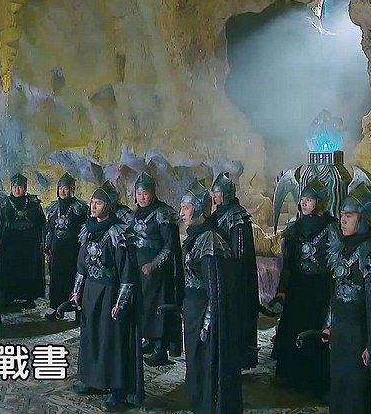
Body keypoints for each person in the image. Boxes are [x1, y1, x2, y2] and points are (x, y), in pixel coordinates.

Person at [70, 181, 144, 412]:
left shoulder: (118, 233)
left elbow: (126, 273)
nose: (93, 206)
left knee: (110, 339)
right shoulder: (88, 230)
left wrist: (120, 303)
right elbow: (81, 265)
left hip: (110, 292)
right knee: (90, 335)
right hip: (91, 291)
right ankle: (92, 379)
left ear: (108, 206)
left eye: (98, 203)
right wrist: (77, 292)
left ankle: (117, 389)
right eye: (92, 202)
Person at [179, 179, 243, 414]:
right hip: (193, 311)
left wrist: (208, 322)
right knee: (195, 361)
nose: (181, 213)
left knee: (206, 361)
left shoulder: (210, 241)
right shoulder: (196, 237)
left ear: (197, 209)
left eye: (185, 208)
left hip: (204, 313)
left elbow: (215, 289)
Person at [322, 175, 371, 414]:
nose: (343, 220)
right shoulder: (344, 249)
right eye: (342, 215)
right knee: (340, 388)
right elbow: (337, 289)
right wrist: (329, 325)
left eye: (349, 216)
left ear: (363, 218)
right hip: (342, 332)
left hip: (362, 334)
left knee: (359, 394)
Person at [270, 178, 334, 395]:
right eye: (302, 199)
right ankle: (290, 376)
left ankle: (314, 380)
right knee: (292, 330)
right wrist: (282, 290)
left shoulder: (332, 229)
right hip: (297, 287)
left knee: (315, 332)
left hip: (320, 289)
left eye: (309, 200)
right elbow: (288, 264)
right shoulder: (294, 229)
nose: (304, 203)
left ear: (320, 201)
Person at [129, 172, 184, 365]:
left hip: (159, 274)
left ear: (153, 193)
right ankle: (150, 341)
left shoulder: (163, 213)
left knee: (159, 308)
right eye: (139, 193)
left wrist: (154, 264)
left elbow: (170, 245)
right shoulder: (134, 215)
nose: (142, 197)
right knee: (144, 307)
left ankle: (161, 348)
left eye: (145, 193)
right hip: (139, 271)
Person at [210, 171, 259, 369]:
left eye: (218, 193)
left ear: (226, 194)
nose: (215, 197)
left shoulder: (236, 216)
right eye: (214, 193)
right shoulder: (218, 214)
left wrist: (233, 275)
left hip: (237, 277)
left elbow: (240, 252)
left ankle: (240, 358)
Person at [0, 173, 47, 309]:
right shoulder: (4, 204)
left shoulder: (34, 204)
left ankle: (29, 298)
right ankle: (9, 297)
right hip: (9, 244)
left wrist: (43, 242)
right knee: (9, 270)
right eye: (15, 187)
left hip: (29, 244)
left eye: (20, 187)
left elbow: (42, 224)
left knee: (29, 270)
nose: (17, 189)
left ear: (25, 188)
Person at [44, 173, 88, 320]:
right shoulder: (53, 208)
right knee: (56, 280)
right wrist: (47, 245)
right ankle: (57, 309)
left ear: (72, 190)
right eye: (61, 188)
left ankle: (75, 310)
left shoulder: (80, 209)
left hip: (72, 250)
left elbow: (84, 230)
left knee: (72, 279)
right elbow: (50, 229)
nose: (63, 191)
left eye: (66, 188)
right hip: (57, 250)